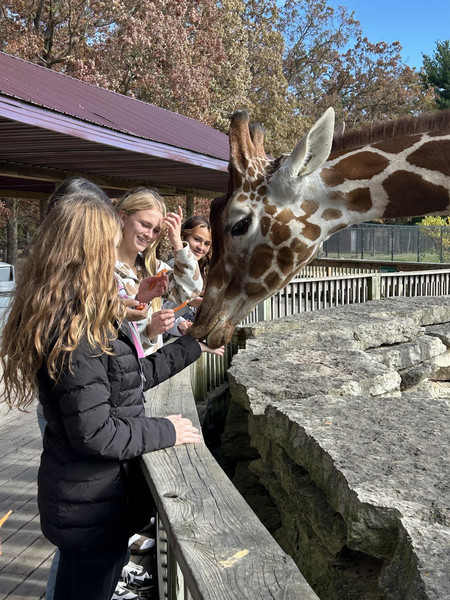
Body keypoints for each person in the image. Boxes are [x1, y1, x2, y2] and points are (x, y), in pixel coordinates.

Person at [0, 193, 222, 600]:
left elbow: (130, 376)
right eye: (107, 239)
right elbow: (96, 433)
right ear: (85, 250)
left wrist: (193, 347)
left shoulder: (83, 317)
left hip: (94, 503)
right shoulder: (74, 331)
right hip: (90, 505)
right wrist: (165, 430)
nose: (118, 250)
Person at [114, 187, 202, 354]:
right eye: (145, 225)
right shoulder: (100, 267)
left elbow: (190, 291)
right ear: (123, 217)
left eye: (156, 230)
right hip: (114, 372)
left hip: (151, 371)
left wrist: (177, 244)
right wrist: (149, 332)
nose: (149, 235)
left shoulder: (154, 269)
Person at [165, 215, 212, 323]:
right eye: (196, 239)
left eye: (207, 244)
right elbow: (160, 306)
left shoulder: (204, 268)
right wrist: (189, 301)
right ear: (184, 236)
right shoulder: (173, 265)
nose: (201, 247)